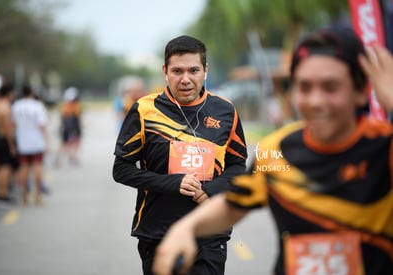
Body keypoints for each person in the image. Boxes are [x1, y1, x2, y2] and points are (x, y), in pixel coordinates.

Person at [152, 28, 393, 275]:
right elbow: (234, 203)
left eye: (331, 87)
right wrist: (185, 229)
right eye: (304, 87)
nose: (316, 101)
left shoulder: (385, 147)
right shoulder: (276, 149)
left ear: (361, 90)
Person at [112, 35, 248, 275]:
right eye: (177, 71)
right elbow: (121, 169)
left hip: (210, 231)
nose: (185, 79)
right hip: (158, 232)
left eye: (193, 70)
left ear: (205, 70)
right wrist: (173, 183)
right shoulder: (144, 110)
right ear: (165, 71)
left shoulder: (226, 111)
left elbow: (237, 166)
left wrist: (210, 190)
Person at [12, 85, 49, 205]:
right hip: (36, 142)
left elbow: (13, 124)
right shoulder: (37, 106)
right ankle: (37, 195)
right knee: (37, 167)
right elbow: (42, 125)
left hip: (23, 142)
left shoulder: (16, 106)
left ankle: (24, 195)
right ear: (32, 93)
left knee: (24, 168)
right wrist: (47, 141)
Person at [0, 83, 18, 206]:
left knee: (0, 167)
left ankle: (0, 193)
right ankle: (2, 195)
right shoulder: (6, 108)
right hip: (4, 140)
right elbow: (7, 128)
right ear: (9, 93)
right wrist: (12, 145)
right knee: (5, 167)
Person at [56, 86, 82, 166]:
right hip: (69, 128)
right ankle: (70, 158)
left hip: (72, 128)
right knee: (67, 143)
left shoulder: (75, 105)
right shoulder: (68, 106)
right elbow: (64, 118)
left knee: (71, 143)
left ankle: (71, 157)